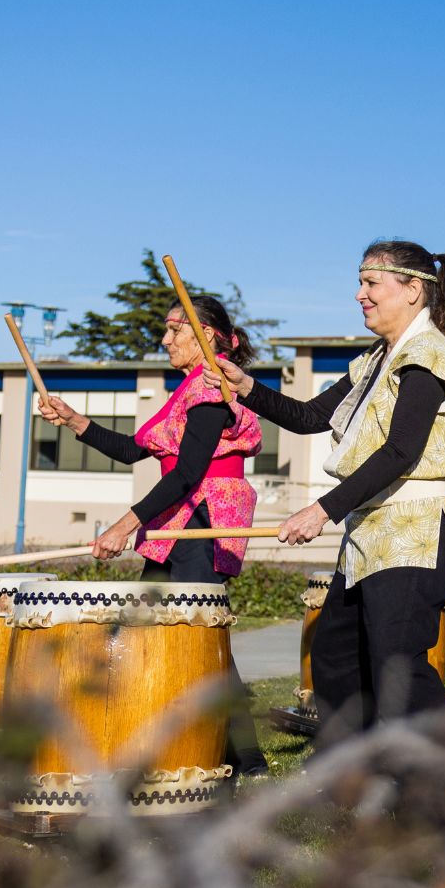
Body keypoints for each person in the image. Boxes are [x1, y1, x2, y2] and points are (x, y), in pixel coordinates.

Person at [207, 240, 445, 745]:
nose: (360, 294)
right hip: (373, 530)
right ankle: (354, 773)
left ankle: (438, 803)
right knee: (336, 655)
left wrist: (323, 509)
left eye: (371, 283)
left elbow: (401, 452)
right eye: (361, 282)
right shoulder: (375, 361)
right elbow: (311, 416)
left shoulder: (427, 358)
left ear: (414, 291)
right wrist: (246, 385)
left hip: (418, 531)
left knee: (400, 670)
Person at [37, 294, 268, 776]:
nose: (165, 340)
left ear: (208, 337)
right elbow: (131, 450)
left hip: (204, 518)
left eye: (175, 331)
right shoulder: (185, 389)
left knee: (197, 636)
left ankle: (243, 757)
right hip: (176, 517)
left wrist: (124, 524)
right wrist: (74, 420)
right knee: (160, 630)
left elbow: (187, 474)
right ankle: (171, 739)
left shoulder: (211, 387)